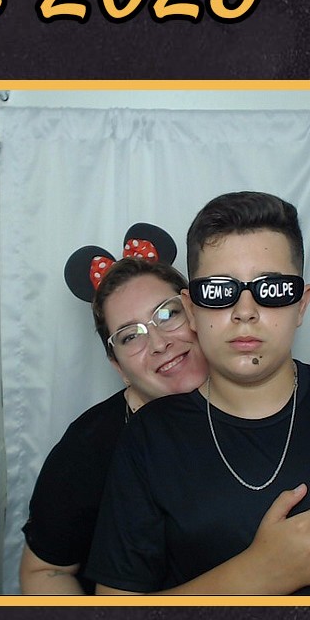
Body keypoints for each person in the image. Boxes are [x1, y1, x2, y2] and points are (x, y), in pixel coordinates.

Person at [87, 192, 310, 596]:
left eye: (272, 288)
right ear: (192, 309)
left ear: (301, 305)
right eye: (219, 291)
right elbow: (116, 615)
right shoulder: (147, 441)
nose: (245, 311)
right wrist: (254, 575)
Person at [20, 227, 208, 595]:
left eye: (167, 314)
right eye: (130, 336)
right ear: (118, 366)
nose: (159, 343)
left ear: (198, 313)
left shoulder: (260, 402)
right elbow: (44, 572)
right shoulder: (88, 447)